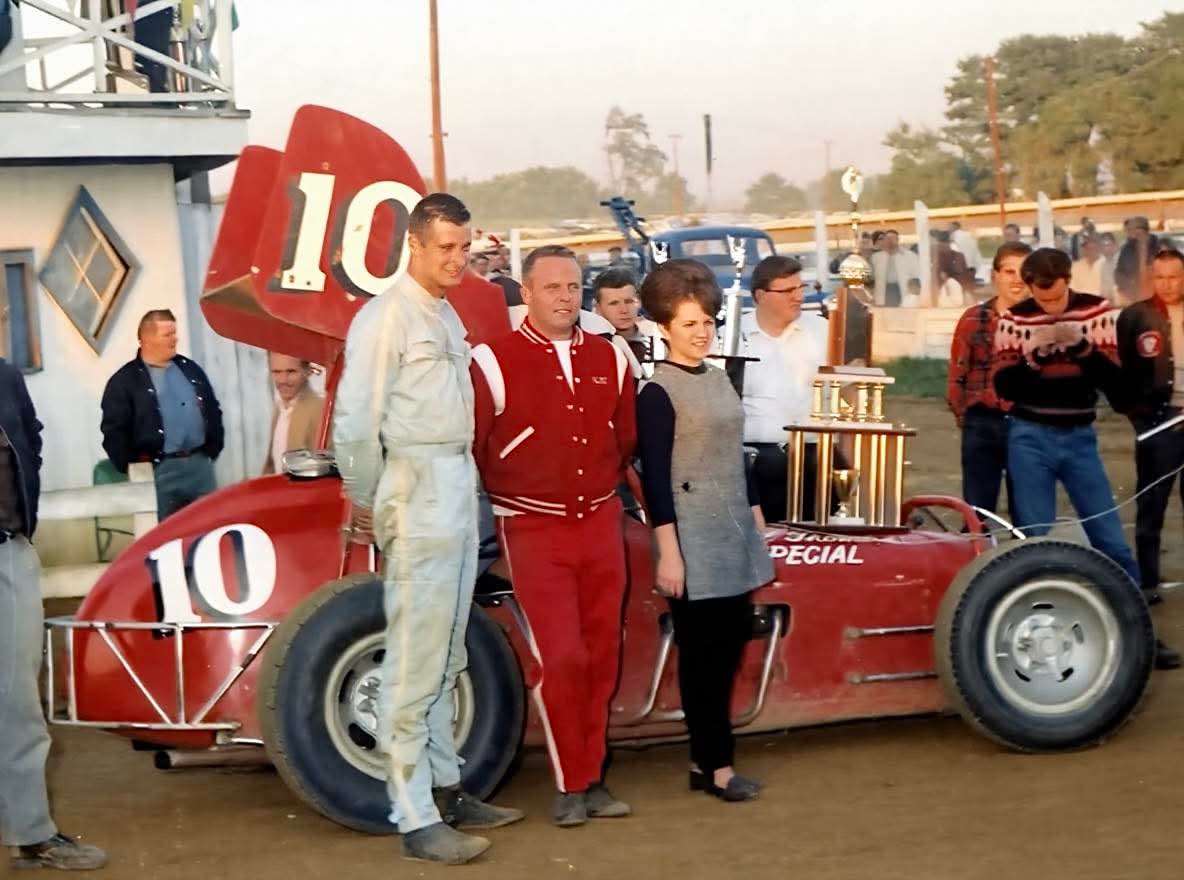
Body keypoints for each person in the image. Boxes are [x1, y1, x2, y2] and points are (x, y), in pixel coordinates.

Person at [333, 193, 524, 866]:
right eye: (445, 247)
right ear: (413, 244)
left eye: (464, 248)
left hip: (456, 485)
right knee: (414, 661)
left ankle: (449, 788)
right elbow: (355, 422)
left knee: (447, 652)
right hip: (413, 492)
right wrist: (370, 498)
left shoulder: (443, 315)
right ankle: (413, 814)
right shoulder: (384, 319)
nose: (457, 259)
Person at [470, 244, 636, 828]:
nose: (565, 298)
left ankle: (593, 776)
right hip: (531, 526)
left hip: (599, 521)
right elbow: (475, 446)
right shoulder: (491, 360)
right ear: (526, 291)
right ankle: (570, 782)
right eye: (552, 288)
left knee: (602, 654)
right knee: (561, 655)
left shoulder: (610, 355)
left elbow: (626, 437)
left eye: (573, 288)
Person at [993, 248, 1179, 670]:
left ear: (1067, 280)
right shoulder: (1015, 319)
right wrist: (1035, 356)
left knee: (1110, 537)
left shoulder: (1097, 312)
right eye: (1042, 300)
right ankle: (1029, 642)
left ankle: (1140, 636)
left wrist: (1080, 348)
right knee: (1034, 539)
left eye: (1056, 298)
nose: (1050, 306)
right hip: (1029, 436)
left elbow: (1118, 386)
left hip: (1079, 437)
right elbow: (1004, 385)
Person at [635, 259, 772, 803]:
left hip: (733, 532)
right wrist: (669, 554)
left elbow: (738, 454)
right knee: (704, 657)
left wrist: (758, 517)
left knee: (731, 648)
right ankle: (713, 766)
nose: (702, 333)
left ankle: (709, 760)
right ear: (664, 327)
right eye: (689, 324)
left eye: (707, 322)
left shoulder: (718, 378)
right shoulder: (656, 393)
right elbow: (658, 483)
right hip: (690, 540)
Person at [1, 358, 107, 871]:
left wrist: (27, 509)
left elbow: (30, 440)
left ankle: (31, 834)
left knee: (18, 699)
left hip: (9, 553)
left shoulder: (4, 376)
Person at [100, 309, 223, 520]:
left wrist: (212, 449)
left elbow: (213, 409)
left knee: (207, 529)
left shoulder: (190, 369)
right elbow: (114, 431)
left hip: (199, 466)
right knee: (163, 539)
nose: (175, 339)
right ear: (146, 339)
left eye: (175, 333)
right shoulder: (124, 382)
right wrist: (137, 469)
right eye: (168, 334)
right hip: (159, 472)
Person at [1117, 248, 1184, 607]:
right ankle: (1148, 581)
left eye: (1174, 276)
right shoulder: (1135, 317)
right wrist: (1140, 418)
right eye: (1160, 277)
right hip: (1159, 423)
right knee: (1151, 504)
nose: (1167, 284)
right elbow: (1122, 374)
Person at [741, 255, 830, 523]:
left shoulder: (824, 332)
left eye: (800, 288)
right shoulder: (731, 337)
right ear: (761, 296)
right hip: (757, 460)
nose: (798, 297)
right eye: (788, 291)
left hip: (817, 456)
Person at [946, 242, 1031, 519]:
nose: (1017, 280)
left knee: (1028, 513)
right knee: (978, 513)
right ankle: (978, 560)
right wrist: (967, 416)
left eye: (1024, 272)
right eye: (1009, 271)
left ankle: (1025, 562)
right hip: (982, 422)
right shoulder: (973, 318)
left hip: (1027, 423)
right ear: (995, 275)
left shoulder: (1041, 321)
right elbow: (957, 373)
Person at [262, 353, 324, 475]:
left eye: (291, 372)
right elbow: (272, 464)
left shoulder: (319, 411)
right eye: (276, 372)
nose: (283, 380)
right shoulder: (279, 408)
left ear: (307, 371)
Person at [591, 268, 656, 364]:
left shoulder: (658, 335)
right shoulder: (590, 346)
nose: (624, 310)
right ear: (598, 308)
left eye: (629, 302)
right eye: (614, 303)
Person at [1115, 216, 1161, 304]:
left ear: (1145, 230)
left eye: (1136, 229)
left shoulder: (1158, 247)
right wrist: (1127, 287)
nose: (1133, 233)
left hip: (1157, 295)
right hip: (1133, 297)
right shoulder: (1127, 249)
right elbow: (1118, 273)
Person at [871, 229, 920, 307]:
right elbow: (872, 278)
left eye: (893, 238)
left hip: (902, 291)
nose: (890, 241)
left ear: (898, 240)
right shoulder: (876, 257)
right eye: (887, 238)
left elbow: (917, 276)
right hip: (884, 292)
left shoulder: (910, 256)